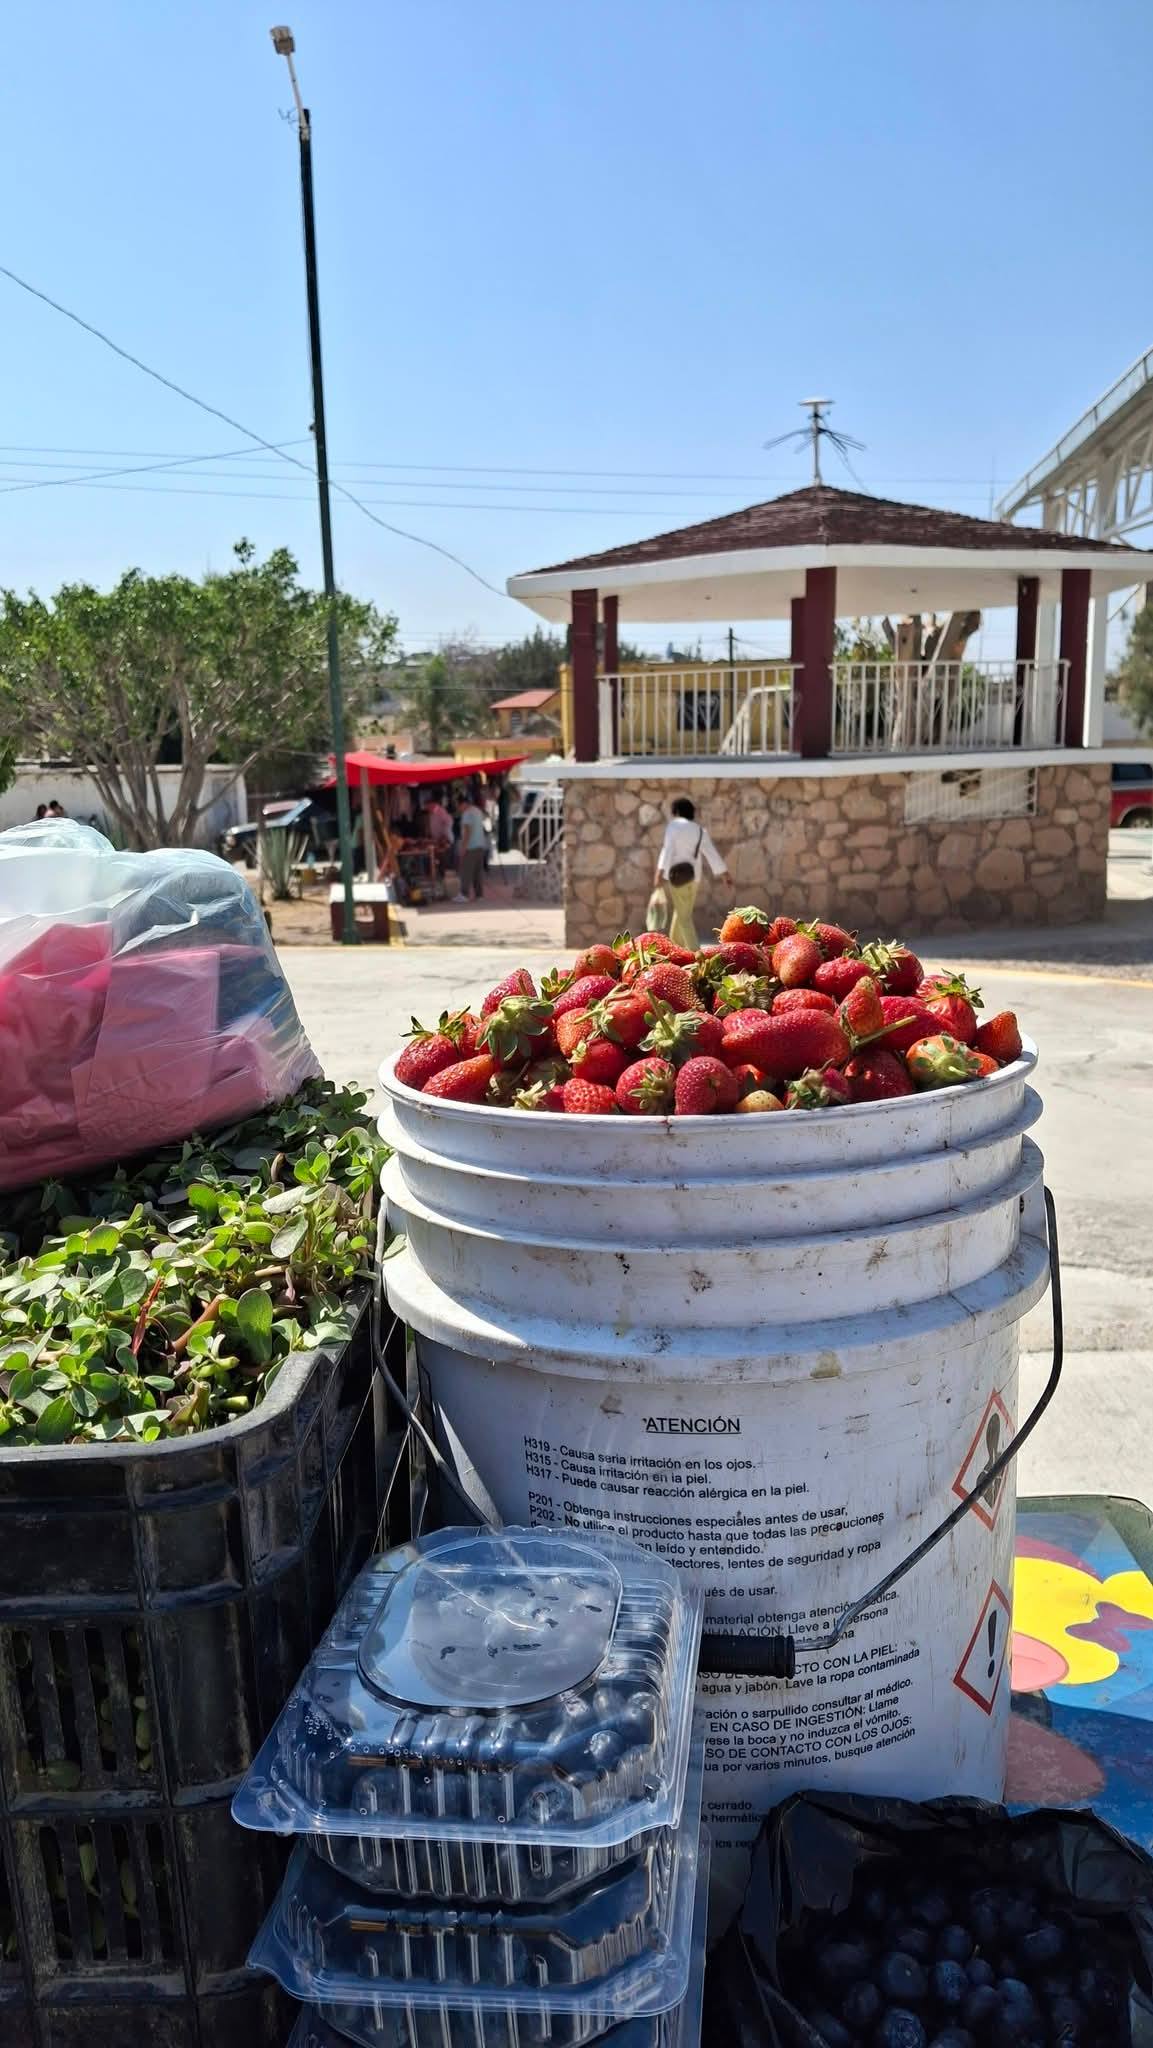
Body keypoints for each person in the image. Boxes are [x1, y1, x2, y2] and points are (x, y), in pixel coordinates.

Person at [654, 796, 731, 949]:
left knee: (684, 917)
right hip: (694, 877)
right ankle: (674, 948)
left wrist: (659, 873)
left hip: (676, 877)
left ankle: (696, 953)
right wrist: (725, 874)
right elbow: (711, 853)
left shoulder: (673, 826)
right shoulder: (699, 830)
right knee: (682, 911)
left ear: (675, 811)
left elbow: (667, 850)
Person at [455, 791, 488, 902]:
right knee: (477, 872)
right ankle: (479, 895)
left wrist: (463, 847)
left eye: (458, 806)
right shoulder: (478, 811)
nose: (459, 809)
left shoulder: (467, 813)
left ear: (462, 804)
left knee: (466, 871)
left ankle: (464, 894)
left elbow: (467, 832)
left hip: (471, 846)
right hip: (481, 845)